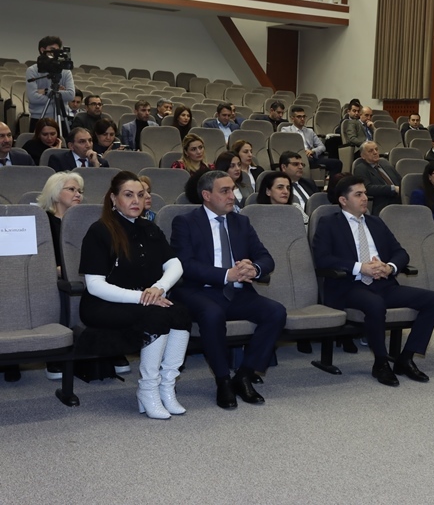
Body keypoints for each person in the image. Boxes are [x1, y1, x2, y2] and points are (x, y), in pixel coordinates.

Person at [312, 175, 434, 387]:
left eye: (365, 193)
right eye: (358, 194)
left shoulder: (376, 222)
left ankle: (406, 358)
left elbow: (401, 253)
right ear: (343, 200)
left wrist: (389, 267)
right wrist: (360, 267)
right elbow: (322, 259)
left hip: (383, 284)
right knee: (375, 304)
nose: (365, 198)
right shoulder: (329, 223)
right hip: (349, 286)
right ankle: (381, 363)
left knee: (433, 300)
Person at [170, 170, 286, 409]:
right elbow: (185, 265)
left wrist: (254, 268)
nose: (232, 195)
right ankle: (223, 380)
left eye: (232, 189)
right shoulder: (185, 222)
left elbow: (266, 258)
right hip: (199, 292)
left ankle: (244, 375)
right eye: (224, 191)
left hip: (236, 292)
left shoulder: (241, 222)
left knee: (276, 312)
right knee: (213, 314)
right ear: (206, 195)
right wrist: (225, 275)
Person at [79, 171, 191, 419]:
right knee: (157, 317)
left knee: (181, 313)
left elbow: (175, 265)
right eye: (128, 195)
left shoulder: (149, 227)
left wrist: (159, 288)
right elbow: (95, 286)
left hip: (145, 300)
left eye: (141, 195)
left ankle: (166, 386)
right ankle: (147, 389)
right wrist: (142, 297)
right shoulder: (99, 231)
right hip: (103, 304)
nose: (136, 201)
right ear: (113, 198)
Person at [33, 171, 84, 380]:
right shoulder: (42, 221)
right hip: (50, 277)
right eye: (71, 189)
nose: (78, 194)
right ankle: (54, 355)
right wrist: (54, 269)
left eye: (80, 191)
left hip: (81, 274)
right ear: (55, 193)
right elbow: (35, 259)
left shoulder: (82, 222)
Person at [25, 35, 75, 130]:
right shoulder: (32, 70)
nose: (55, 53)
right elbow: (33, 98)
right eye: (52, 49)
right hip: (39, 118)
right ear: (42, 50)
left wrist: (45, 92)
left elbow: (70, 95)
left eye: (57, 50)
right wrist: (56, 94)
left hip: (61, 118)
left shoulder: (65, 71)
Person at [280, 105, 342, 175]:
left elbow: (322, 147)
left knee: (337, 163)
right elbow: (287, 147)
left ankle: (332, 182)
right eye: (299, 117)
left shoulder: (310, 131)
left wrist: (313, 151)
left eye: (304, 116)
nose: (302, 119)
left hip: (311, 157)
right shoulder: (286, 130)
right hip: (296, 158)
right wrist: (303, 152)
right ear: (292, 118)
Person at [352, 141, 402, 216]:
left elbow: (401, 181)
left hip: (400, 200)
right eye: (370, 151)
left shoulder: (386, 165)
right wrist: (392, 188)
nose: (375, 152)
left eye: (376, 149)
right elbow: (367, 188)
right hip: (383, 204)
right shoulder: (361, 168)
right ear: (363, 156)